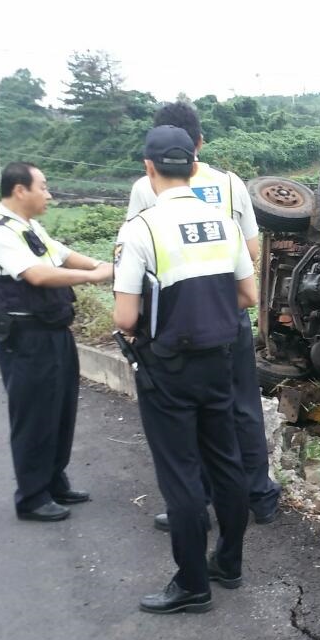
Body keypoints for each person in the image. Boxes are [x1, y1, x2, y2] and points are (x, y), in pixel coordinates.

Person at [114, 125, 257, 614]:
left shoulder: (141, 228)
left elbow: (125, 318)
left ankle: (193, 584)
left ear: (149, 168)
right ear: (192, 165)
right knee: (225, 462)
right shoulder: (223, 222)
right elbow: (248, 296)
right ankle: (230, 565)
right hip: (219, 361)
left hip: (168, 369)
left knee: (181, 476)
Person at [126, 102, 280, 532]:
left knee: (187, 417)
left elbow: (136, 263)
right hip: (230, 315)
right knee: (243, 408)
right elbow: (251, 252)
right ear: (199, 144)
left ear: (155, 157)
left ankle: (194, 505)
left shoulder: (146, 187)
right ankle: (260, 496)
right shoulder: (231, 184)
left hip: (176, 325)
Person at [0, 162, 113, 522]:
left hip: (54, 331)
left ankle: (55, 480)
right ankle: (32, 496)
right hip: (26, 338)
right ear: (20, 190)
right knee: (34, 414)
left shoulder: (29, 227)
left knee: (60, 409)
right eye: (44, 187)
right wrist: (96, 277)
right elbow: (37, 274)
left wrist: (105, 264)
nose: (49, 194)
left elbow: (62, 254)